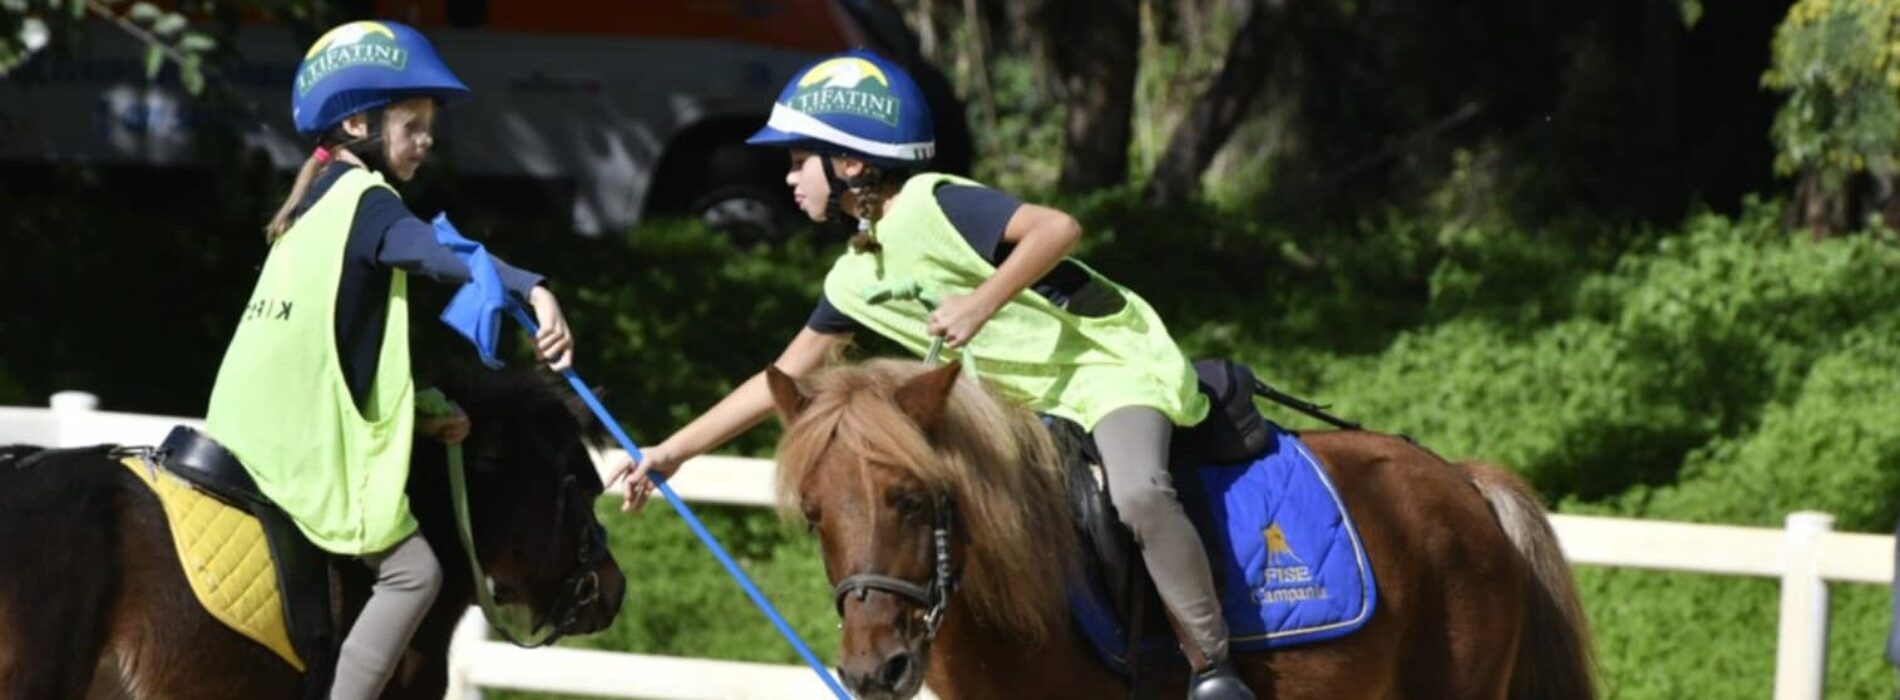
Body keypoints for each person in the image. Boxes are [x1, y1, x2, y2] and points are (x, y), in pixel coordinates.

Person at [606, 49, 1252, 699]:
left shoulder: (935, 202)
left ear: (852, 164)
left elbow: (1058, 228)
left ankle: (1213, 667)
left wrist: (979, 302)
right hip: (1023, 404)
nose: (789, 178)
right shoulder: (856, 275)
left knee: (1138, 492)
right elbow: (783, 373)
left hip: (1106, 369)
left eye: (799, 160)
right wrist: (674, 451)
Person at [201, 20, 575, 700]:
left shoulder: (310, 207)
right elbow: (441, 253)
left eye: (428, 124)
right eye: (412, 123)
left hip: (243, 427)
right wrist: (533, 287)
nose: (426, 139)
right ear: (356, 126)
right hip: (299, 447)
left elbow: (339, 354)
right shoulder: (367, 203)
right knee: (415, 575)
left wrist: (427, 414)